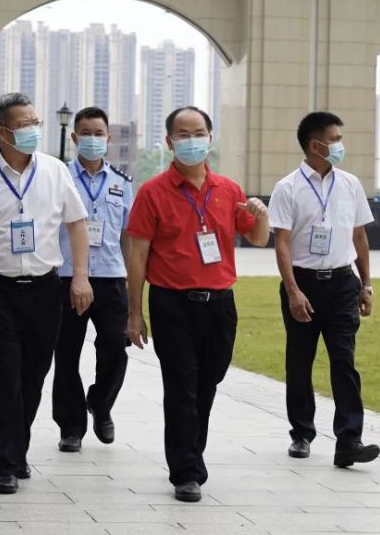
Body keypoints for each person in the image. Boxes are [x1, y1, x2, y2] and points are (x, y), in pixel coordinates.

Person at [0, 92, 94, 495]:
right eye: (25, 124)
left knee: (33, 377)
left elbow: (77, 223)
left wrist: (79, 277)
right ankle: (3, 464)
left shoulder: (55, 171)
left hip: (45, 291)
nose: (33, 130)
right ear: (2, 132)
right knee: (6, 373)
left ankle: (18, 449)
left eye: (36, 123)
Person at [126, 106, 269, 503]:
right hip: (172, 304)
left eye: (199, 132)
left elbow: (257, 239)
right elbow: (137, 254)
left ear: (210, 137)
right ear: (170, 142)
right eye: (183, 134)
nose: (192, 140)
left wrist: (261, 215)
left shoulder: (229, 190)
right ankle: (186, 471)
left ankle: (192, 454)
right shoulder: (153, 192)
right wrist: (134, 312)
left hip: (220, 305)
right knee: (182, 387)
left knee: (208, 382)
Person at [266, 111, 379, 469]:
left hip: (343, 283)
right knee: (299, 362)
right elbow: (281, 244)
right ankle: (301, 433)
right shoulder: (288, 188)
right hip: (304, 283)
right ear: (316, 144)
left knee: (344, 360)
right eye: (335, 138)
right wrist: (294, 291)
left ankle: (349, 440)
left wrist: (367, 284)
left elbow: (359, 236)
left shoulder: (350, 184)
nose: (340, 145)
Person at [53, 107, 132, 453]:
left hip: (112, 277)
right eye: (86, 133)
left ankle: (101, 403)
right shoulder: (58, 177)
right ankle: (71, 426)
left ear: (109, 138)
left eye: (99, 133)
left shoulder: (122, 183)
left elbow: (129, 235)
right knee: (66, 354)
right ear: (74, 138)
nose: (93, 139)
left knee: (116, 347)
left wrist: (133, 281)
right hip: (67, 276)